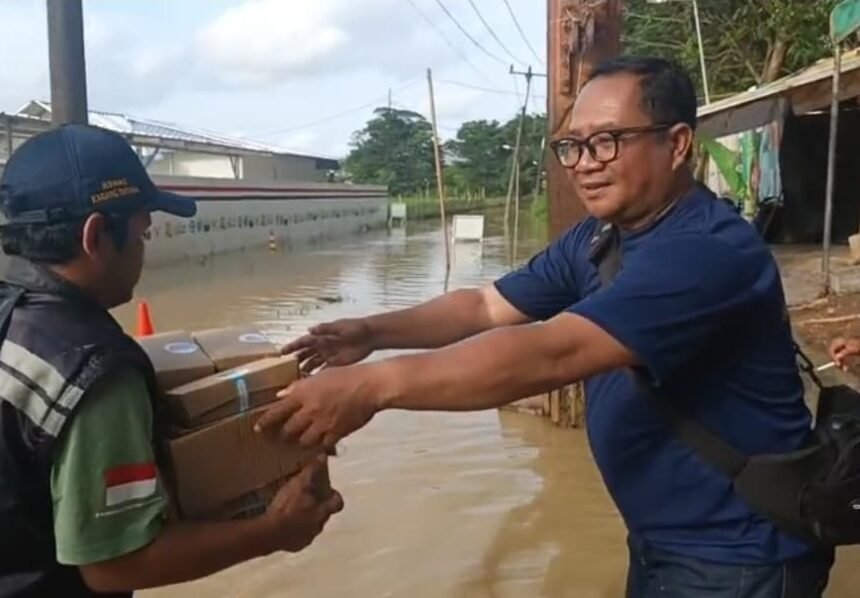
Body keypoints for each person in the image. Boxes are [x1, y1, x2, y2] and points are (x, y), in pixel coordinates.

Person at [255, 56, 833, 597]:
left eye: (607, 141)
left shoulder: (704, 252)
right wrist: (371, 333)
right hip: (666, 540)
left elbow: (551, 353)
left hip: (740, 554)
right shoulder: (599, 239)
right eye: (572, 146)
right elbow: (483, 306)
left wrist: (373, 386)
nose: (584, 163)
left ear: (677, 143)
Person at [0, 124, 342, 598]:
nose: (144, 250)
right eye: (142, 232)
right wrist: (276, 531)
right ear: (95, 236)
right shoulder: (95, 372)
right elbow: (113, 564)